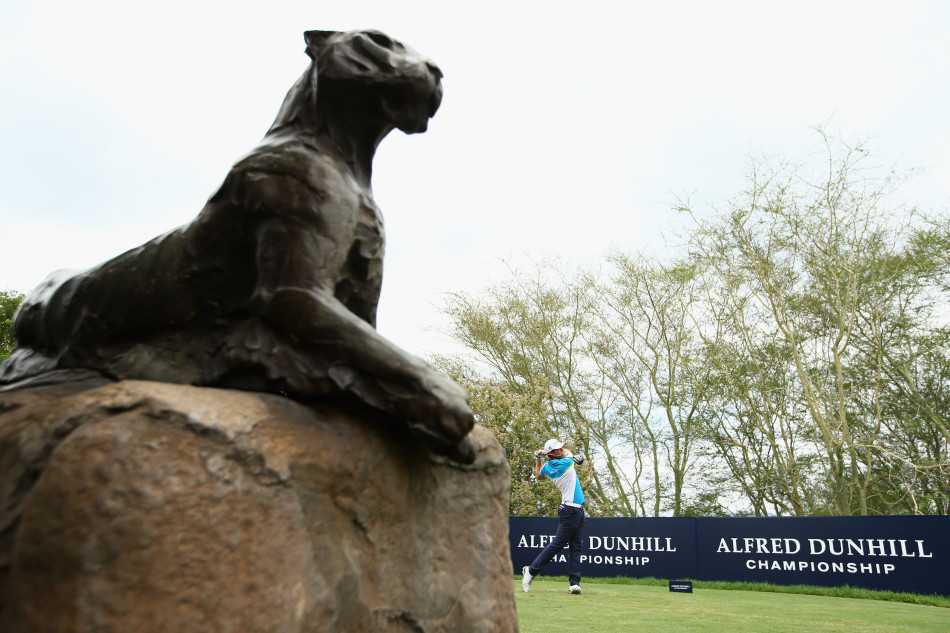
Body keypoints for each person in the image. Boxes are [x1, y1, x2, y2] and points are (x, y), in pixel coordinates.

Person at [522, 438, 586, 595]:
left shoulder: (548, 466)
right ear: (551, 454)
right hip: (570, 509)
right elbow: (569, 456)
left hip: (577, 509)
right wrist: (577, 457)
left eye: (560, 449)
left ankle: (574, 583)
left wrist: (538, 459)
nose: (560, 450)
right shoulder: (563, 463)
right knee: (557, 545)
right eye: (556, 450)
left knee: (576, 546)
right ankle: (530, 571)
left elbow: (538, 475)